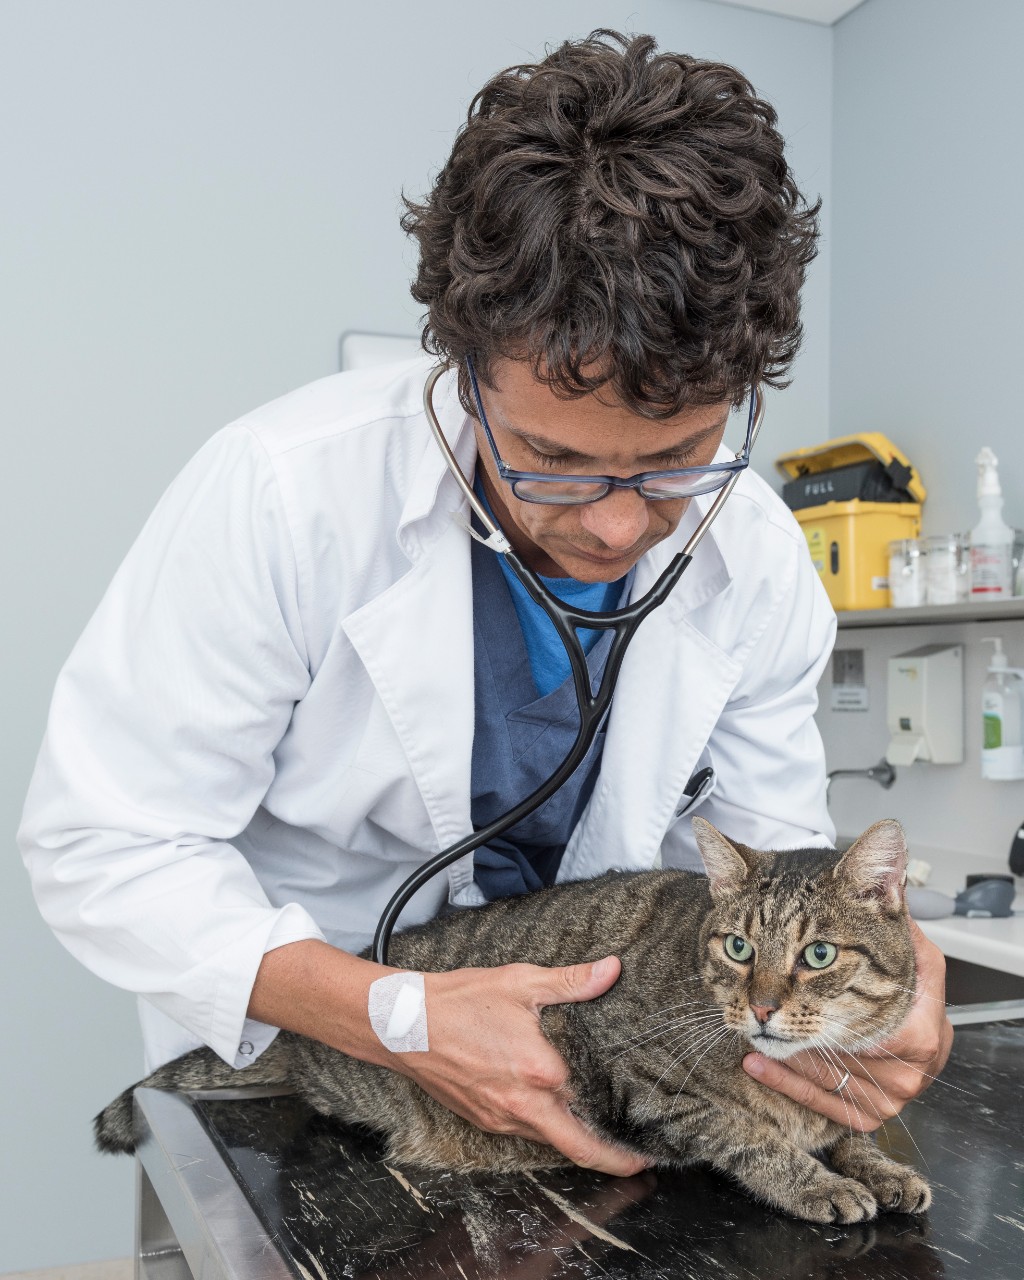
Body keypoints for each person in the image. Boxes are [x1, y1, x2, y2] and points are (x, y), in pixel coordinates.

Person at [19, 30, 951, 1178]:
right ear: (460, 373)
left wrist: (892, 983)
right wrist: (394, 1015)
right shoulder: (285, 490)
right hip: (304, 1067)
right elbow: (105, 841)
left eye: (675, 458)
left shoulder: (753, 554)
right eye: (554, 460)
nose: (616, 525)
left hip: (588, 1087)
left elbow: (773, 860)